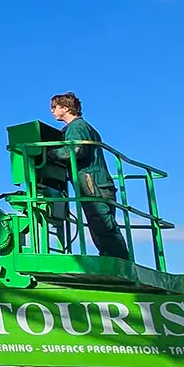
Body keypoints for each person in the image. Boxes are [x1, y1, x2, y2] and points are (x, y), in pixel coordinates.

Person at [48, 92, 130, 260]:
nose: (52, 111)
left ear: (65, 108)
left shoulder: (77, 127)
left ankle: (119, 262)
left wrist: (49, 154)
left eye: (54, 107)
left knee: (103, 224)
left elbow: (77, 150)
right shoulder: (76, 128)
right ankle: (112, 258)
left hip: (91, 182)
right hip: (95, 182)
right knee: (100, 225)